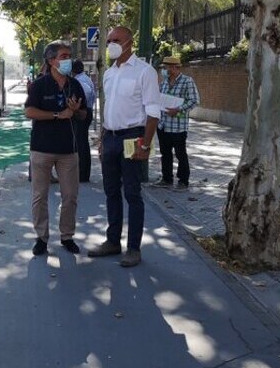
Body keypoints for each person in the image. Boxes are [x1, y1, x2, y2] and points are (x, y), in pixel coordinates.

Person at [88, 26, 161, 267]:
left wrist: (146, 144)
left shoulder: (145, 72)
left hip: (133, 138)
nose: (111, 44)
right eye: (108, 41)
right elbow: (108, 107)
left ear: (130, 42)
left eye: (115, 40)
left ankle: (133, 248)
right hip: (110, 137)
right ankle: (112, 241)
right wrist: (102, 139)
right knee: (110, 191)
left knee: (132, 193)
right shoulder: (109, 73)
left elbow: (152, 111)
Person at [25, 41, 87, 256]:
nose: (68, 59)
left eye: (69, 55)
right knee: (39, 196)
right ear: (51, 60)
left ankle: (67, 236)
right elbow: (29, 111)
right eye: (63, 56)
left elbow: (84, 115)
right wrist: (56, 115)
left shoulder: (75, 85)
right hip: (42, 149)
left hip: (69, 151)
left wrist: (77, 111)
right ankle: (41, 238)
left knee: (70, 196)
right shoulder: (40, 85)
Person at [151, 56, 200, 190]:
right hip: (163, 124)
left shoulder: (187, 81)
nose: (165, 70)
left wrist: (178, 109)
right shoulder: (164, 83)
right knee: (165, 153)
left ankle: (183, 180)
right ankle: (166, 178)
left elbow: (194, 100)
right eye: (165, 67)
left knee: (180, 153)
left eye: (167, 67)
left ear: (175, 68)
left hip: (178, 126)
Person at [72, 60, 96, 182]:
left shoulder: (80, 81)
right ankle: (83, 172)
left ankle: (82, 173)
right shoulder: (85, 78)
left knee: (81, 143)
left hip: (83, 112)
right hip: (87, 111)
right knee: (83, 142)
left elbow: (86, 94)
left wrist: (79, 104)